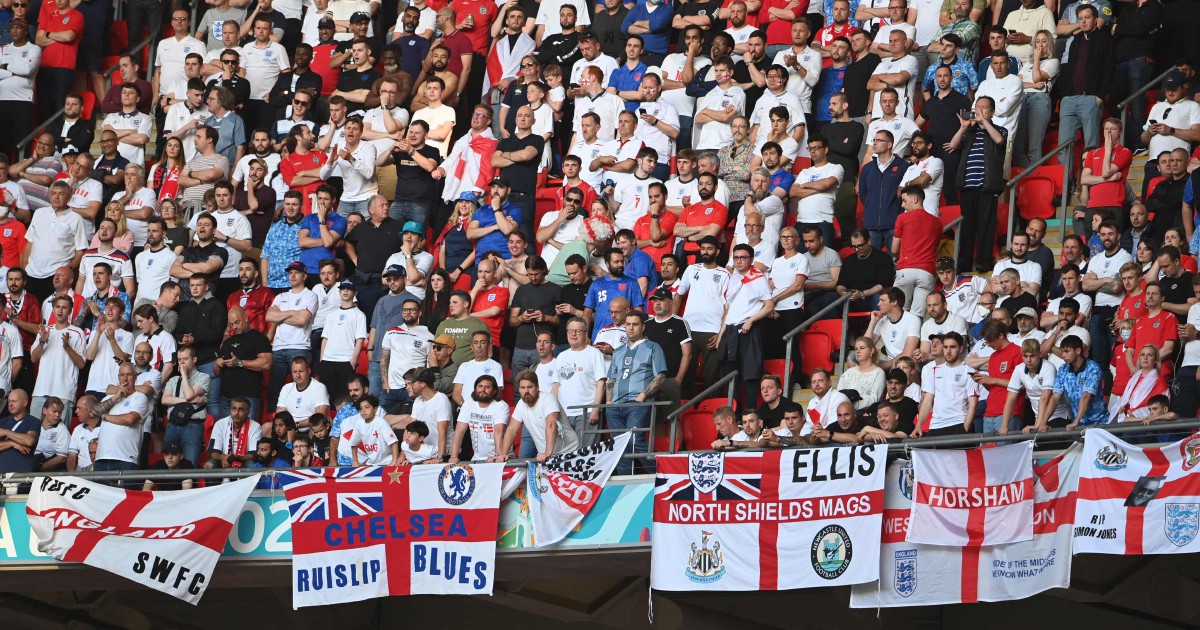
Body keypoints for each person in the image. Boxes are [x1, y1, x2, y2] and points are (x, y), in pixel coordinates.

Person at [949, 96, 1008, 273]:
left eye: (984, 107)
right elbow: (953, 144)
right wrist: (963, 127)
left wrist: (984, 122)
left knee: (986, 227)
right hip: (967, 187)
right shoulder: (969, 131)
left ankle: (984, 263)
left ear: (992, 111)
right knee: (967, 228)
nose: (980, 110)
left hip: (987, 187)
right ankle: (964, 265)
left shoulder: (1000, 130)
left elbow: (998, 140)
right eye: (978, 107)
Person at [606, 310, 665, 474]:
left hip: (638, 404)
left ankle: (659, 476)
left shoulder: (652, 347)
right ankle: (624, 485)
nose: (631, 328)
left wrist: (642, 396)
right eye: (628, 325)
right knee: (619, 446)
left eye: (635, 325)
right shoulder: (618, 351)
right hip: (615, 406)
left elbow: (660, 376)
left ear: (643, 327)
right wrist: (609, 403)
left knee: (634, 440)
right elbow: (611, 379)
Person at [267, 262, 318, 407]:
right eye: (290, 273)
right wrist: (291, 313)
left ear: (305, 275)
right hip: (278, 348)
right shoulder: (280, 296)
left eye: (297, 272)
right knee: (274, 391)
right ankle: (273, 422)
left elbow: (302, 320)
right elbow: (269, 317)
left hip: (299, 347)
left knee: (302, 388)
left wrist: (281, 315)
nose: (293, 275)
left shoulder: (311, 295)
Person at [915, 331, 980, 436]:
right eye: (945, 347)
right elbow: (927, 402)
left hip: (959, 423)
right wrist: (918, 426)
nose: (948, 351)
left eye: (952, 347)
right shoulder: (933, 371)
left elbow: (973, 404)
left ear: (961, 349)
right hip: (936, 425)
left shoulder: (969, 371)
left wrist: (965, 428)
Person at [215, 306, 272, 423]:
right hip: (227, 398)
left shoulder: (259, 338)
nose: (234, 327)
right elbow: (217, 373)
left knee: (248, 435)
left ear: (246, 318)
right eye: (231, 324)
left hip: (248, 397)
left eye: (237, 322)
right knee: (226, 434)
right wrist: (217, 365)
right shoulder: (227, 342)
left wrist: (240, 363)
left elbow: (267, 363)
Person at [160, 346, 210, 467]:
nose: (182, 362)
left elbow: (188, 395)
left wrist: (183, 374)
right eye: (180, 359)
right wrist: (188, 401)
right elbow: (164, 400)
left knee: (190, 465)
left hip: (193, 425)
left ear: (194, 359)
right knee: (169, 466)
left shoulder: (204, 377)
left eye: (185, 359)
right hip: (172, 425)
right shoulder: (173, 380)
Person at [319, 279, 367, 398]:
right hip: (328, 360)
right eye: (343, 288)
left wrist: (353, 361)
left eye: (349, 289)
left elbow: (360, 339)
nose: (345, 291)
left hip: (346, 360)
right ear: (339, 292)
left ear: (355, 293)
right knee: (326, 397)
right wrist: (322, 359)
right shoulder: (331, 315)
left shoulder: (359, 315)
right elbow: (325, 338)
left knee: (344, 398)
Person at [449, 374, 510, 463]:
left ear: (494, 391)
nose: (482, 390)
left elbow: (498, 432)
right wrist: (454, 456)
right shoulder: (468, 404)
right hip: (477, 459)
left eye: (487, 387)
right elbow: (459, 431)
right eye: (480, 386)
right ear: (475, 388)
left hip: (500, 457)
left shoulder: (501, 406)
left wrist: (499, 456)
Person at [204, 397, 262, 469]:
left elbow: (254, 454)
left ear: (248, 412)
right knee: (210, 465)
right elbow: (212, 451)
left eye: (241, 410)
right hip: (222, 459)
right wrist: (223, 457)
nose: (236, 413)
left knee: (251, 465)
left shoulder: (255, 426)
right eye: (234, 409)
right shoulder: (220, 424)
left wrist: (236, 457)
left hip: (244, 460)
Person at [0, 389, 38, 473]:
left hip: (21, 476)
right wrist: (12, 443)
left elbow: (29, 440)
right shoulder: (2, 422)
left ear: (25, 403)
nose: (10, 404)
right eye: (9, 401)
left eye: (14, 401)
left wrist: (6, 432)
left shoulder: (33, 421)